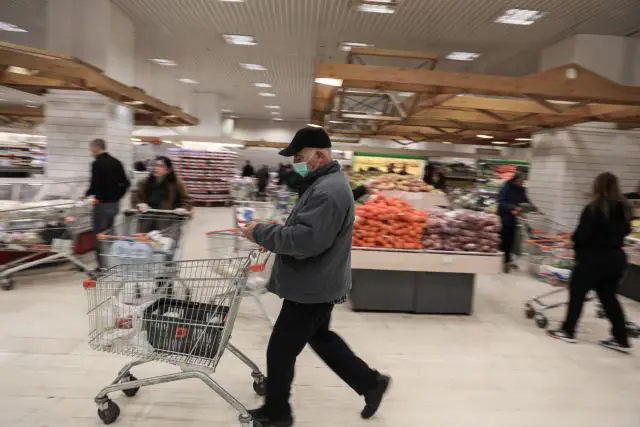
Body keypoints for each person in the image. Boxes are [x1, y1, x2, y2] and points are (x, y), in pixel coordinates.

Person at [240, 126, 390, 427]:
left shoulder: (328, 191)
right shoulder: (323, 184)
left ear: (319, 155)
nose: (296, 162)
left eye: (299, 157)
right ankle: (370, 382)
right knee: (321, 338)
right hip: (319, 280)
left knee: (281, 350)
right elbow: (310, 232)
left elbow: (306, 241)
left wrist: (260, 232)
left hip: (312, 285)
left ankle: (278, 414)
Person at [548, 172, 632, 353]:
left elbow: (582, 235)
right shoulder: (625, 209)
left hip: (592, 258)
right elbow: (626, 231)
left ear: (597, 186)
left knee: (577, 294)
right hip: (616, 258)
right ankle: (621, 338)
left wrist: (574, 242)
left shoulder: (594, 208)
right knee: (609, 298)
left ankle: (568, 331)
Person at [85, 138, 130, 268]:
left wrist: (85, 195)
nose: (90, 151)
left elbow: (94, 185)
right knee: (110, 233)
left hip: (101, 205)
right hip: (114, 205)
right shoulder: (117, 162)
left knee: (99, 235)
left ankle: (102, 266)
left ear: (96, 148)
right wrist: (118, 196)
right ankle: (115, 262)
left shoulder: (97, 164)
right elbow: (126, 183)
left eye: (91, 149)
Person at [497, 172, 533, 273]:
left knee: (511, 242)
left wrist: (533, 207)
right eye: (521, 180)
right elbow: (502, 202)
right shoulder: (506, 187)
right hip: (504, 218)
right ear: (515, 179)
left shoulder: (520, 189)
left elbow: (525, 199)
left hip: (513, 219)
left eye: (523, 180)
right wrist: (512, 208)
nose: (522, 182)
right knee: (504, 242)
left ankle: (508, 261)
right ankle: (503, 263)